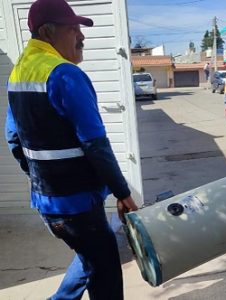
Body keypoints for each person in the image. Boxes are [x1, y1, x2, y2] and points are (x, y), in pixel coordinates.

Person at [4, 0, 138, 299]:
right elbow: (96, 144)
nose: (81, 35)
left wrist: (40, 178)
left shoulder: (19, 73)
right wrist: (123, 193)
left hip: (49, 203)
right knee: (104, 271)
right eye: (73, 28)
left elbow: (13, 138)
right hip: (76, 204)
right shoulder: (64, 74)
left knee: (89, 256)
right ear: (47, 31)